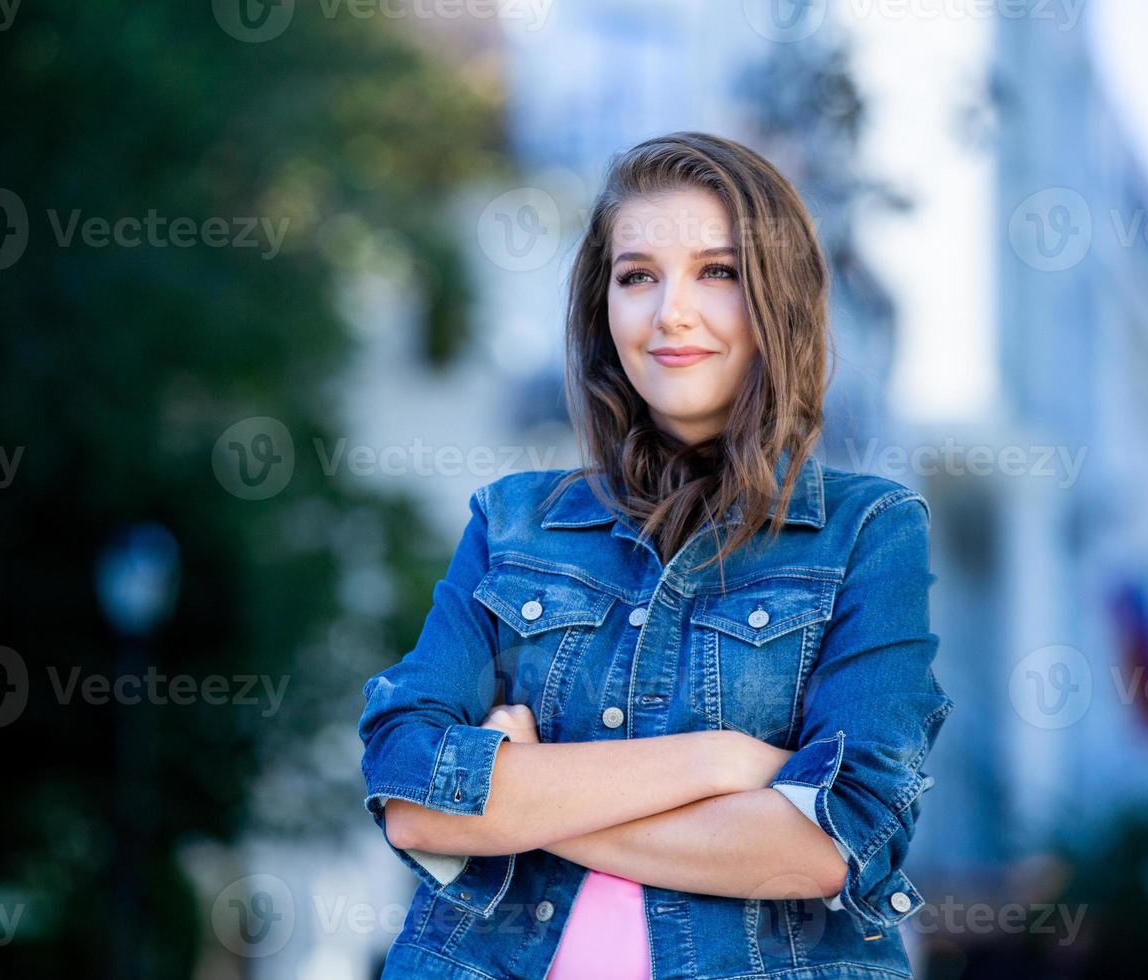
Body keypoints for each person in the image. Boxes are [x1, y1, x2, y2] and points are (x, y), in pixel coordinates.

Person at [357, 131, 954, 979]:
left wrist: (518, 797)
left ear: (776, 298)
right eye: (637, 276)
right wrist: (720, 765)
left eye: (717, 271)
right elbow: (410, 788)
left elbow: (833, 842)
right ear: (604, 307)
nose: (671, 311)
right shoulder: (512, 522)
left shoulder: (869, 533)